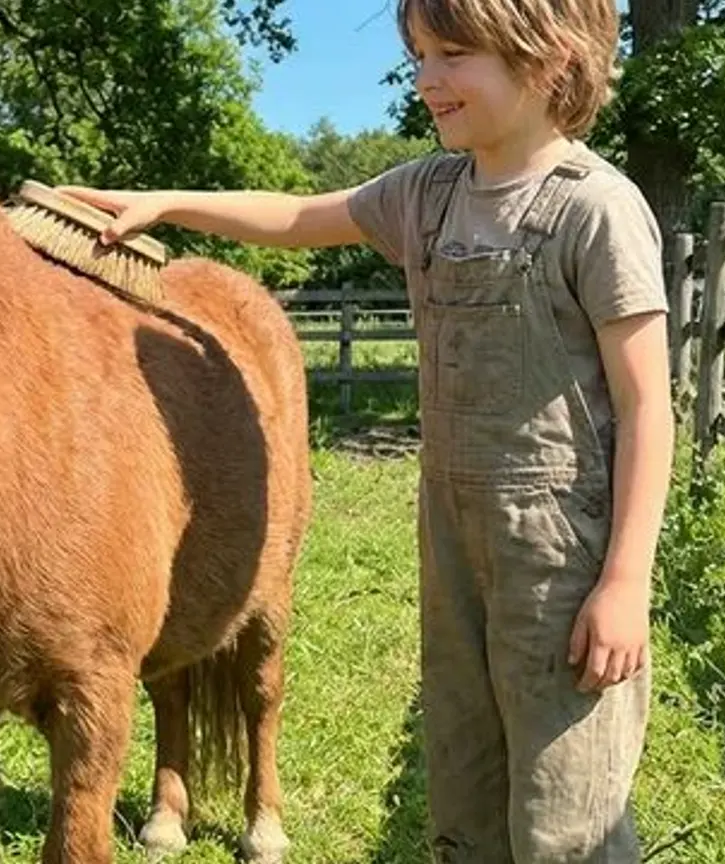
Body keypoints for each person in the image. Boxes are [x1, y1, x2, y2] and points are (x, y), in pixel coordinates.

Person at [58, 0, 673, 860]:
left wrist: (626, 582)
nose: (427, 78)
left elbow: (648, 407)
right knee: (465, 773)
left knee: (565, 800)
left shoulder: (597, 212)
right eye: (420, 54)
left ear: (549, 58)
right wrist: (165, 205)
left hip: (561, 552)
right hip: (451, 536)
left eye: (454, 53)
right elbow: (300, 217)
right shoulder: (427, 194)